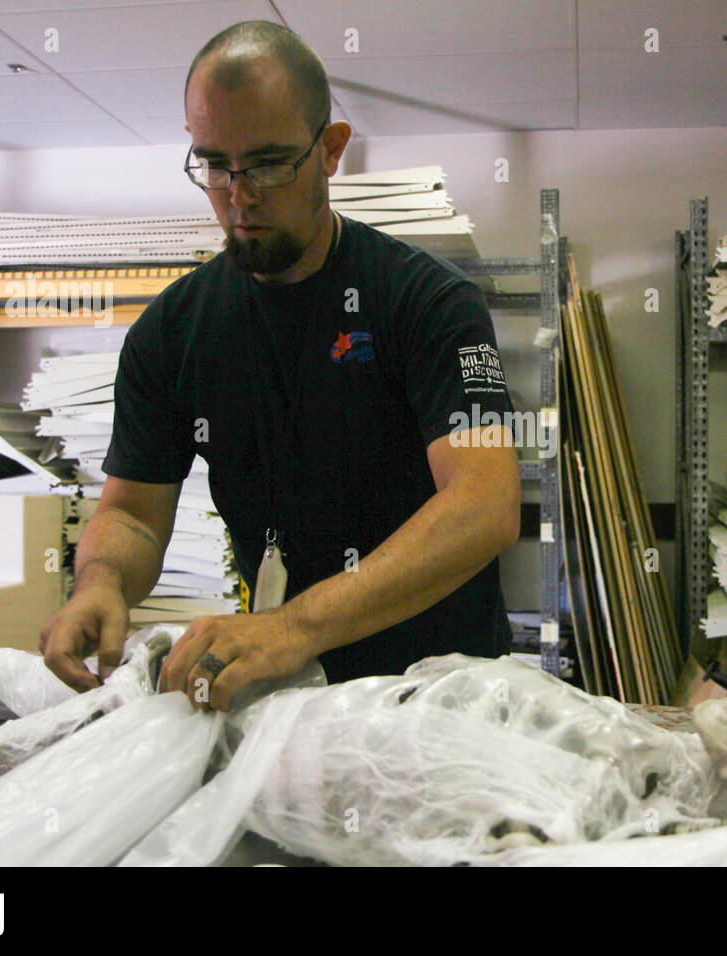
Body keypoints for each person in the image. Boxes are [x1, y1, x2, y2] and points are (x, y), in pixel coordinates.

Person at [39, 21, 520, 711]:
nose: (239, 194)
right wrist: (102, 582)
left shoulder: (428, 301)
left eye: (267, 163)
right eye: (214, 165)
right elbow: (135, 517)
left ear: (330, 151)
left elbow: (485, 504)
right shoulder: (171, 335)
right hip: (279, 695)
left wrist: (295, 626)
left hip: (440, 693)